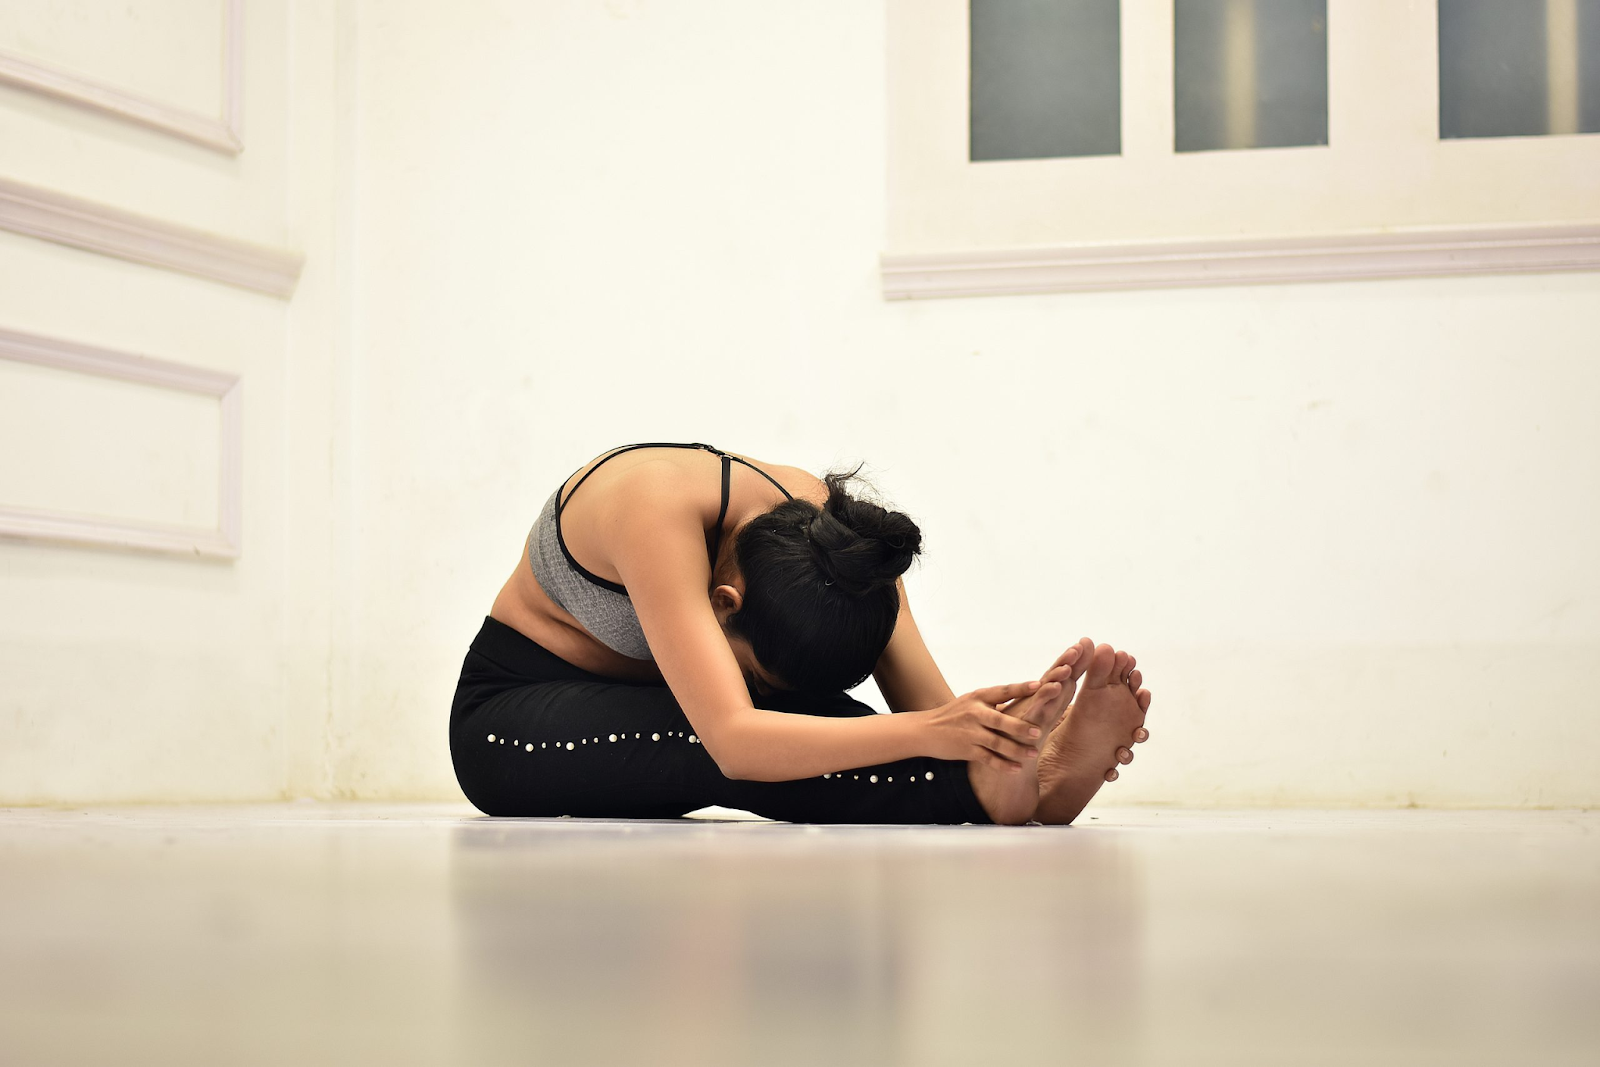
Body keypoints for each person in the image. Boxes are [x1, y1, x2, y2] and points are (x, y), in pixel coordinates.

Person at [450, 442, 1151, 825]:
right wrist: (939, 740)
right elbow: (735, 739)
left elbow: (933, 715)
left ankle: (1022, 787)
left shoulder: (843, 553)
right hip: (512, 719)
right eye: (756, 672)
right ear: (724, 602)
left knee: (803, 727)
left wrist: (1002, 738)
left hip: (668, 721)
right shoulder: (652, 507)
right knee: (727, 739)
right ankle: (988, 799)